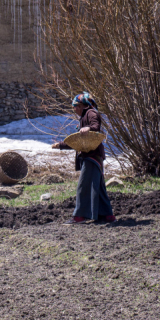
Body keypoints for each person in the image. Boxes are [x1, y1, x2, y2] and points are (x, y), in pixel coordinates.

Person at [51, 92, 116, 224]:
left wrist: (89, 128)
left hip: (92, 157)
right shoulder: (83, 118)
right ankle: (107, 215)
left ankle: (80, 215)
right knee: (98, 187)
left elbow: (96, 127)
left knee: (84, 186)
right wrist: (60, 145)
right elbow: (78, 142)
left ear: (82, 105)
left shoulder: (91, 113)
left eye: (75, 106)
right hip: (93, 157)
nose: (74, 109)